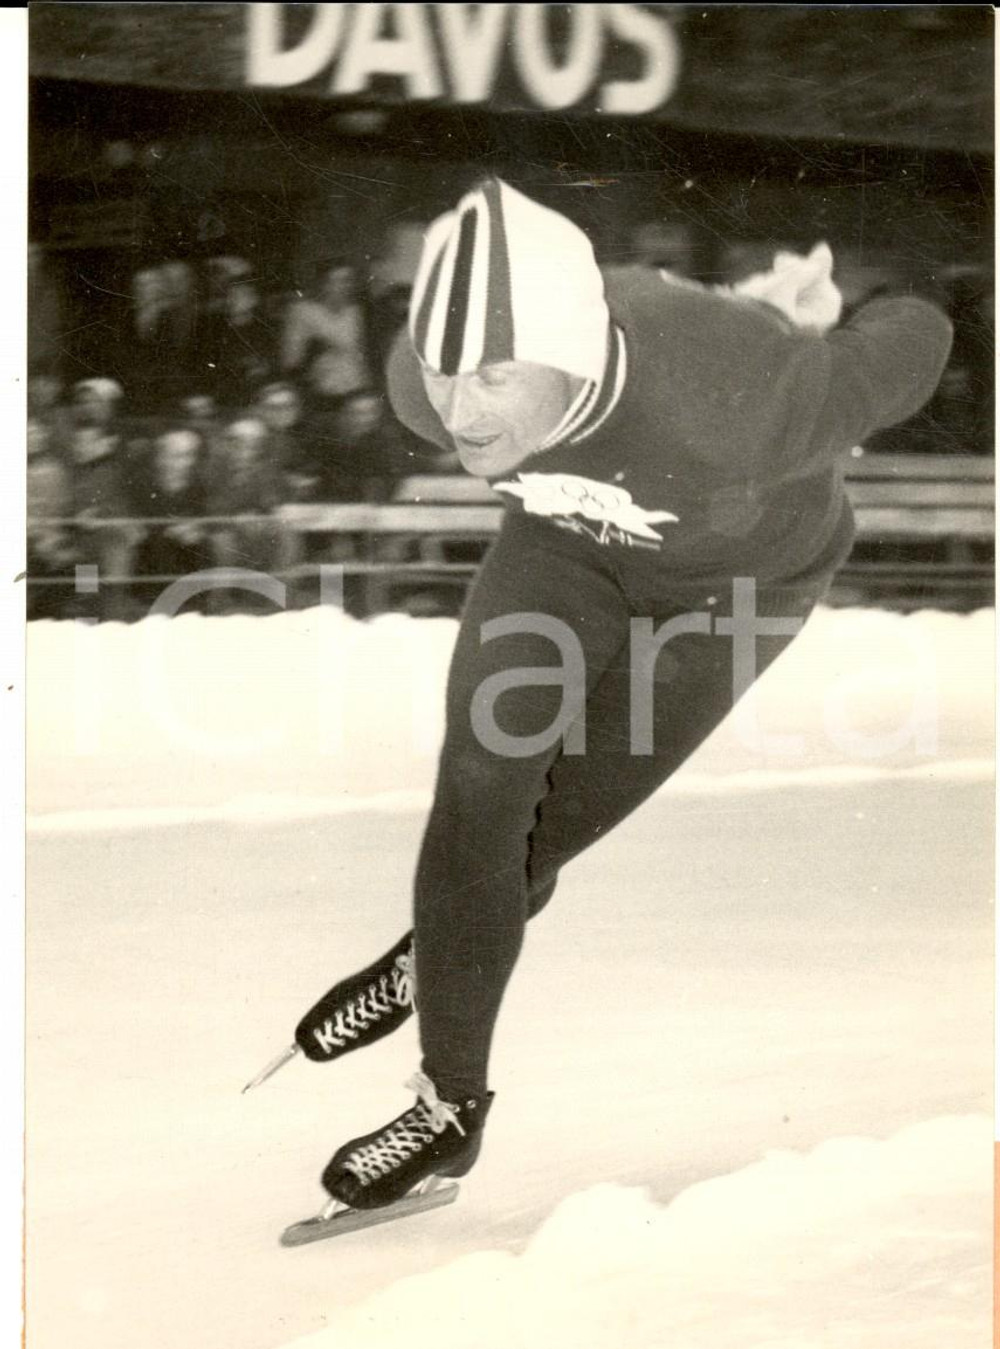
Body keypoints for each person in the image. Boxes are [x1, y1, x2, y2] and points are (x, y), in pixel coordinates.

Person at [260, 179, 953, 1222]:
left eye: (495, 375)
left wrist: (821, 316)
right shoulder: (419, 384)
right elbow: (475, 376)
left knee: (543, 831)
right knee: (480, 794)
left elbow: (920, 335)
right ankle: (449, 1103)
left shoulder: (736, 400)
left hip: (733, 591)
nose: (460, 410)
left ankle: (439, 949)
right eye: (444, 370)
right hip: (567, 548)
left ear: (574, 355)